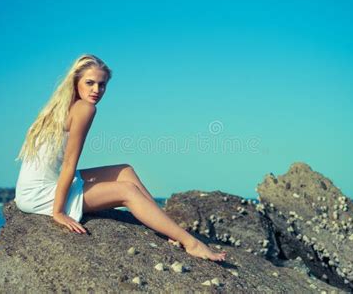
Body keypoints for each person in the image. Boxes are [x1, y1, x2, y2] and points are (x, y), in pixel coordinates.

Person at [14, 54, 226, 261]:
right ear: (76, 81)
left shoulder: (61, 106)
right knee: (127, 190)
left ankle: (168, 228)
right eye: (90, 83)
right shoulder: (84, 108)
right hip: (39, 194)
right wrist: (58, 212)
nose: (96, 90)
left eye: (102, 84)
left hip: (31, 188)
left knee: (124, 171)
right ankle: (192, 244)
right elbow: (70, 163)